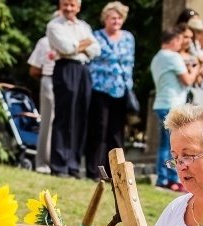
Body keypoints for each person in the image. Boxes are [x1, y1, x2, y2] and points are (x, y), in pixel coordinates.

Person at [46, 0, 100, 178]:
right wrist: (83, 45)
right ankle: (59, 165)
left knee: (80, 117)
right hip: (65, 68)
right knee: (64, 116)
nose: (68, 8)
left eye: (72, 5)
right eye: (65, 4)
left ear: (78, 7)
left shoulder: (83, 25)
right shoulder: (54, 25)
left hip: (83, 70)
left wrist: (75, 47)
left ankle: (74, 166)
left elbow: (96, 49)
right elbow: (66, 48)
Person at [84, 1, 134, 181]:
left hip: (121, 90)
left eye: (120, 18)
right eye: (113, 17)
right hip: (100, 89)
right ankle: (94, 171)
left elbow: (130, 63)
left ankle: (116, 173)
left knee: (116, 133)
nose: (116, 21)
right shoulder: (95, 36)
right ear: (105, 19)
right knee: (99, 130)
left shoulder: (128, 37)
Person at [151, 27, 200, 192]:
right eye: (180, 41)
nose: (181, 44)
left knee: (164, 144)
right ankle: (172, 179)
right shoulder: (173, 56)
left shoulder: (157, 57)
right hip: (173, 105)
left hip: (161, 103)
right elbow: (187, 80)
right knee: (175, 145)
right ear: (173, 41)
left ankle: (162, 178)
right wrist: (195, 69)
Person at [28, 30, 59, 174]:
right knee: (48, 123)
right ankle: (44, 163)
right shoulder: (44, 42)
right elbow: (34, 69)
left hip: (71, 83)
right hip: (50, 78)